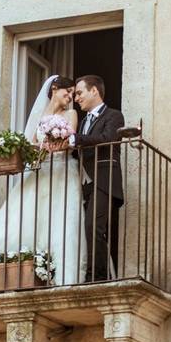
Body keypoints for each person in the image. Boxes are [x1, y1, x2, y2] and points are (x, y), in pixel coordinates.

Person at [0, 75, 86, 294]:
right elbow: (32, 142)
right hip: (41, 169)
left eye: (72, 93)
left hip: (63, 170)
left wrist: (55, 142)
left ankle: (63, 280)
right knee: (22, 218)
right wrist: (40, 147)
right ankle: (13, 269)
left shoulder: (71, 114)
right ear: (54, 88)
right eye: (67, 91)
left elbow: (69, 139)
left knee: (61, 221)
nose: (70, 97)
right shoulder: (41, 114)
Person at [74, 75, 124, 282]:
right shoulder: (84, 121)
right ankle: (95, 272)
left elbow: (108, 139)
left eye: (79, 93)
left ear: (94, 90)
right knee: (87, 227)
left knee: (93, 226)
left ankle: (96, 276)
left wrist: (76, 139)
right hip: (84, 181)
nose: (76, 98)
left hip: (103, 179)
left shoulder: (113, 115)